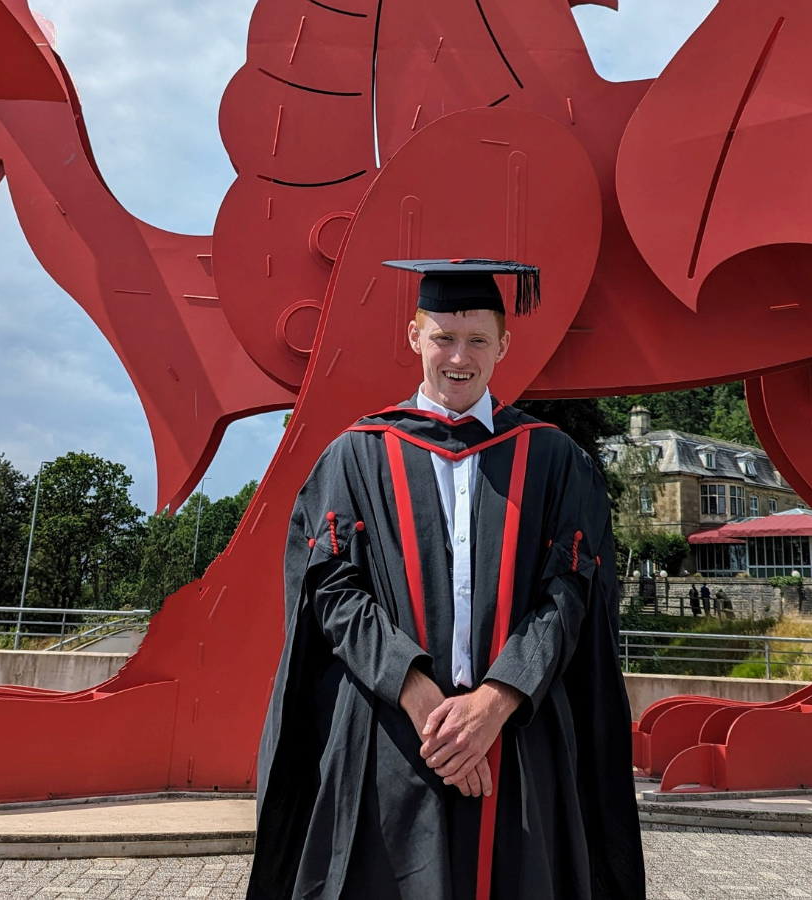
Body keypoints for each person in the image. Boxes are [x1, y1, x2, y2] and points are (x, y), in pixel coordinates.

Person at [250, 259, 644, 900]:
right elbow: (329, 586)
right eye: (443, 337)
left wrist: (496, 701)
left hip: (517, 741)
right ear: (414, 337)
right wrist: (416, 692)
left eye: (478, 340)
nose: (459, 357)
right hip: (392, 739)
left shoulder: (552, 459)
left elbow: (571, 592)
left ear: (503, 345)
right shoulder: (358, 454)